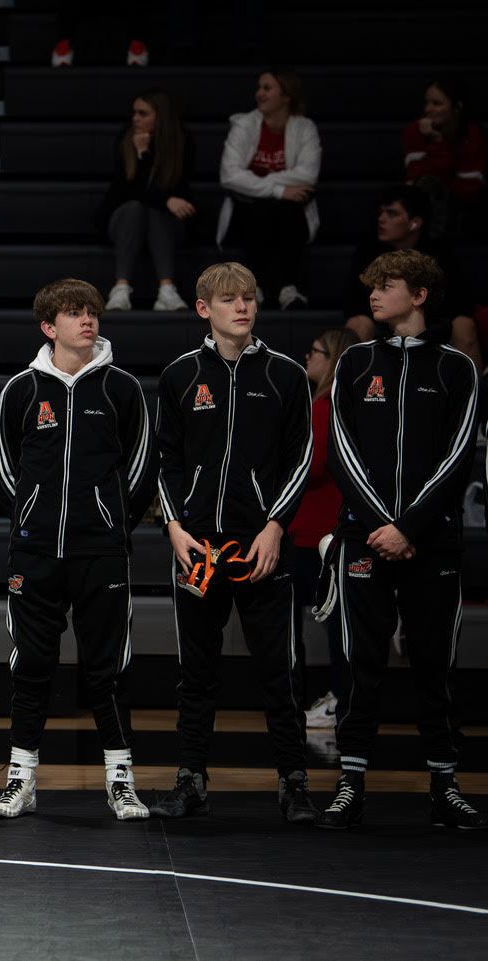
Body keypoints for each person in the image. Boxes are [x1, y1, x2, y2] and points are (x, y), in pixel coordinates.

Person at [318, 249, 481, 829]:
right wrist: (383, 526)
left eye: (385, 286)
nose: (372, 295)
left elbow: (460, 455)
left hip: (430, 543)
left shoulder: (455, 368)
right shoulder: (357, 363)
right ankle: (350, 783)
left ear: (419, 295)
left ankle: (445, 784)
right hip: (364, 539)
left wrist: (407, 527)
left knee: (436, 664)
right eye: (371, 286)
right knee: (360, 664)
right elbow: (340, 451)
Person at [151, 261, 317, 823]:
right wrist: (174, 528)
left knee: (280, 669)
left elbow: (300, 458)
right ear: (203, 309)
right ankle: (190, 779)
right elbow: (165, 462)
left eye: (248, 297)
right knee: (195, 672)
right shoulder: (178, 376)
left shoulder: (285, 375)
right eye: (228, 300)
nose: (241, 306)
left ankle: (294, 782)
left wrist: (275, 527)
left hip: (263, 546)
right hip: (196, 548)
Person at [0, 278, 155, 819]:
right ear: (48, 326)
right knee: (31, 665)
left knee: (107, 668)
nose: (87, 320)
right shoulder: (21, 390)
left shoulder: (121, 388)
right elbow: (3, 470)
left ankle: (120, 780)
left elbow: (141, 468)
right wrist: (33, 521)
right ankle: (20, 778)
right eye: (74, 313)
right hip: (34, 555)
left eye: (92, 313)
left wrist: (109, 522)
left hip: (101, 553)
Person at [289, 327, 357, 729]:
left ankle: (338, 701)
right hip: (327, 532)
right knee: (337, 624)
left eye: (314, 351)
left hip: (316, 535)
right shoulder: (342, 404)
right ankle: (338, 698)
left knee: (331, 625)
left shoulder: (325, 406)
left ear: (331, 359)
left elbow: (310, 469)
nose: (307, 357)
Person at [343, 184, 480, 369]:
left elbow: (458, 301)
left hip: (431, 316)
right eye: (381, 213)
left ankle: (472, 390)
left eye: (391, 214)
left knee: (464, 325)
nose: (381, 219)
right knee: (357, 322)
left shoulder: (439, 252)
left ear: (415, 222)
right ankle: (354, 386)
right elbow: (354, 300)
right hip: (380, 317)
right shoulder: (368, 251)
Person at [217, 69, 320, 310]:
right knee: (263, 208)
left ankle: (288, 289)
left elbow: (308, 174)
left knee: (284, 208)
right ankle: (257, 289)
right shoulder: (244, 124)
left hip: (289, 212)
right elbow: (229, 174)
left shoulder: (305, 128)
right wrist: (279, 189)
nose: (259, 93)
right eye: (259, 87)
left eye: (267, 88)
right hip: (247, 211)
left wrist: (256, 181)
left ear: (286, 96)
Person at [99, 87, 196, 312]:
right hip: (126, 220)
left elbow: (176, 186)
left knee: (156, 210)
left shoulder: (182, 142)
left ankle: (166, 290)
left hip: (167, 223)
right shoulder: (126, 141)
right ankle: (121, 288)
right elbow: (126, 192)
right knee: (136, 208)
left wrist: (163, 201)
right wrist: (142, 156)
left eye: (143, 113)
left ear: (160, 117)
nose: (135, 119)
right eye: (134, 113)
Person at [402, 75, 484, 238]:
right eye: (427, 103)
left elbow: (469, 189)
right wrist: (438, 143)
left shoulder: (472, 135)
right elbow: (420, 179)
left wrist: (438, 145)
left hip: (460, 209)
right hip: (424, 206)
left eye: (437, 103)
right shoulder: (414, 130)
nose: (428, 109)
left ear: (457, 107)